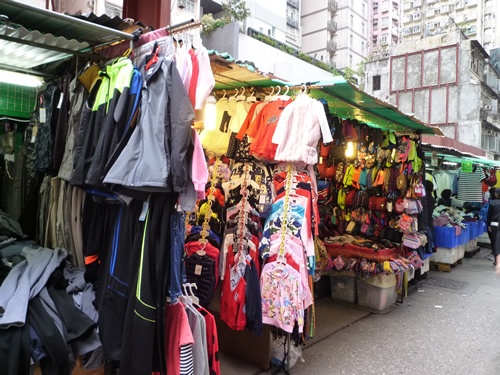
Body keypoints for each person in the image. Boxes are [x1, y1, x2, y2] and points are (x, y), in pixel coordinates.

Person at [487, 188, 500, 267]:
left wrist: (489, 225)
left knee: (495, 242)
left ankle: (497, 260)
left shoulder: (492, 203)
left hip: (494, 224)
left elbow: (489, 216)